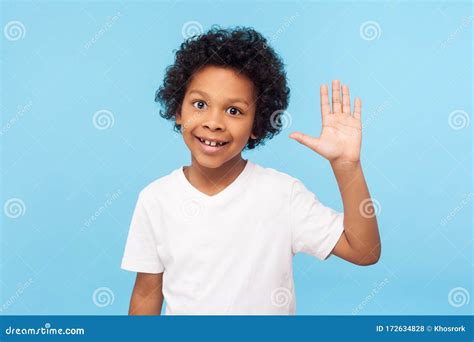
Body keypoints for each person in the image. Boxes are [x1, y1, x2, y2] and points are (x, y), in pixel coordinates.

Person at [121, 27, 381, 315]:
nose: (214, 122)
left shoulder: (282, 194)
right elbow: (146, 294)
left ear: (257, 125)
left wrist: (347, 167)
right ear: (178, 110)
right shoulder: (156, 199)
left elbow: (364, 251)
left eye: (234, 111)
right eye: (200, 104)